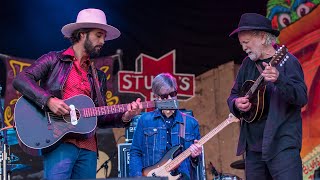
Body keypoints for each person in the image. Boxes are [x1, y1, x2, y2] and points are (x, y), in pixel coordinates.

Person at [12, 8, 143, 179]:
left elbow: (100, 116)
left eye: (104, 36)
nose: (103, 41)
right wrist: (49, 100)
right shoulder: (54, 60)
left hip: (88, 147)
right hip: (60, 142)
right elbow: (21, 79)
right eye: (98, 35)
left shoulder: (98, 76)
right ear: (82, 34)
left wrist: (126, 116)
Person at [227, 13, 308, 179]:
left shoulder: (288, 61)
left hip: (282, 145)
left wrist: (280, 79)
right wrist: (237, 104)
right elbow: (233, 95)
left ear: (263, 38)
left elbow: (301, 97)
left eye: (246, 42)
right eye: (241, 43)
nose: (243, 47)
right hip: (254, 149)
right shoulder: (246, 65)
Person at [129, 73, 202, 179]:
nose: (170, 99)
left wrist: (196, 156)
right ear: (156, 97)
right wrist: (138, 177)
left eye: (173, 94)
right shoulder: (145, 120)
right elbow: (135, 153)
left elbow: (196, 162)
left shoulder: (191, 123)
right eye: (164, 96)